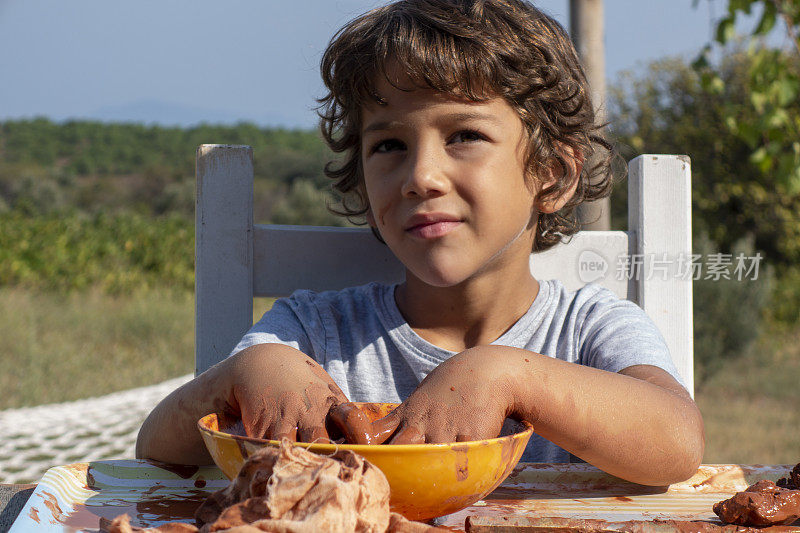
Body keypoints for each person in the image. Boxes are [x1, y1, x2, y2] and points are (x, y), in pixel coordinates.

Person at [136, 0, 704, 486]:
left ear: (552, 174)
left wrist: (509, 374)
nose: (421, 176)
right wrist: (248, 370)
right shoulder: (314, 333)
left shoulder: (588, 327)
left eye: (465, 136)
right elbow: (155, 450)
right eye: (388, 146)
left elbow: (678, 442)